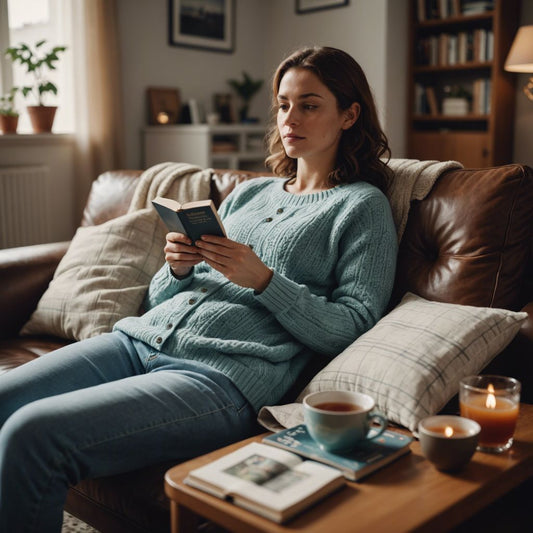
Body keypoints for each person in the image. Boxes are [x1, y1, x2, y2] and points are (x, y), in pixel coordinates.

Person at [0, 46, 397, 532]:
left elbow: (354, 324)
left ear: (349, 114)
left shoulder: (362, 207)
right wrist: (178, 268)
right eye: (283, 103)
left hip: (217, 379)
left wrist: (265, 282)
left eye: (309, 104)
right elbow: (160, 300)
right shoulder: (252, 192)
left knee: (32, 434)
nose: (290, 118)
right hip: (137, 341)